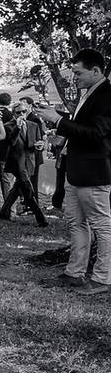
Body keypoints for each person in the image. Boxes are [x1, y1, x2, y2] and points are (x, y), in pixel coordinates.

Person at [36, 48, 111, 295]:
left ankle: (102, 278)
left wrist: (59, 122)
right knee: (76, 223)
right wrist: (60, 121)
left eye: (78, 73)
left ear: (96, 71)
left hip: (95, 172)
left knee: (102, 226)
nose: (74, 77)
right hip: (76, 170)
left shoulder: (106, 96)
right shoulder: (89, 94)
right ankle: (74, 273)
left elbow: (96, 133)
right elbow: (83, 124)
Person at [0, 102, 48, 227]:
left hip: (30, 160)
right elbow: (11, 142)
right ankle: (41, 218)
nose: (22, 114)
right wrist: (18, 128)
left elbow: (38, 142)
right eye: (18, 112)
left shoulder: (34, 125)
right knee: (27, 187)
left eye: (24, 111)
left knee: (17, 188)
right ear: (14, 113)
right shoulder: (8, 126)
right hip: (16, 162)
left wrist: (40, 146)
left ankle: (3, 212)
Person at [19, 95, 48, 201]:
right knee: (25, 181)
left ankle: (33, 205)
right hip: (25, 155)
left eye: (23, 103)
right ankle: (27, 203)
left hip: (33, 155)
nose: (21, 105)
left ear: (30, 105)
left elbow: (39, 138)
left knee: (32, 181)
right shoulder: (22, 118)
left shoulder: (34, 119)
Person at [0, 92, 15, 212]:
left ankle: (8, 209)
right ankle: (9, 209)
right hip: (7, 152)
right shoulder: (11, 115)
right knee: (7, 181)